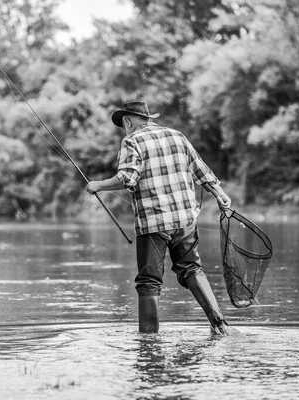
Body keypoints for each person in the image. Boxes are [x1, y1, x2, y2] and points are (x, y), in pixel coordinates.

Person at [86, 101, 231, 335]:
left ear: (127, 121)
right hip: (184, 220)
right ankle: (219, 323)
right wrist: (221, 195)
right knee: (192, 269)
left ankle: (148, 340)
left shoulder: (132, 140)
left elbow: (127, 178)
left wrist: (98, 185)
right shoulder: (177, 135)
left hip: (153, 223)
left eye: (123, 125)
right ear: (149, 118)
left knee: (149, 282)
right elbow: (201, 170)